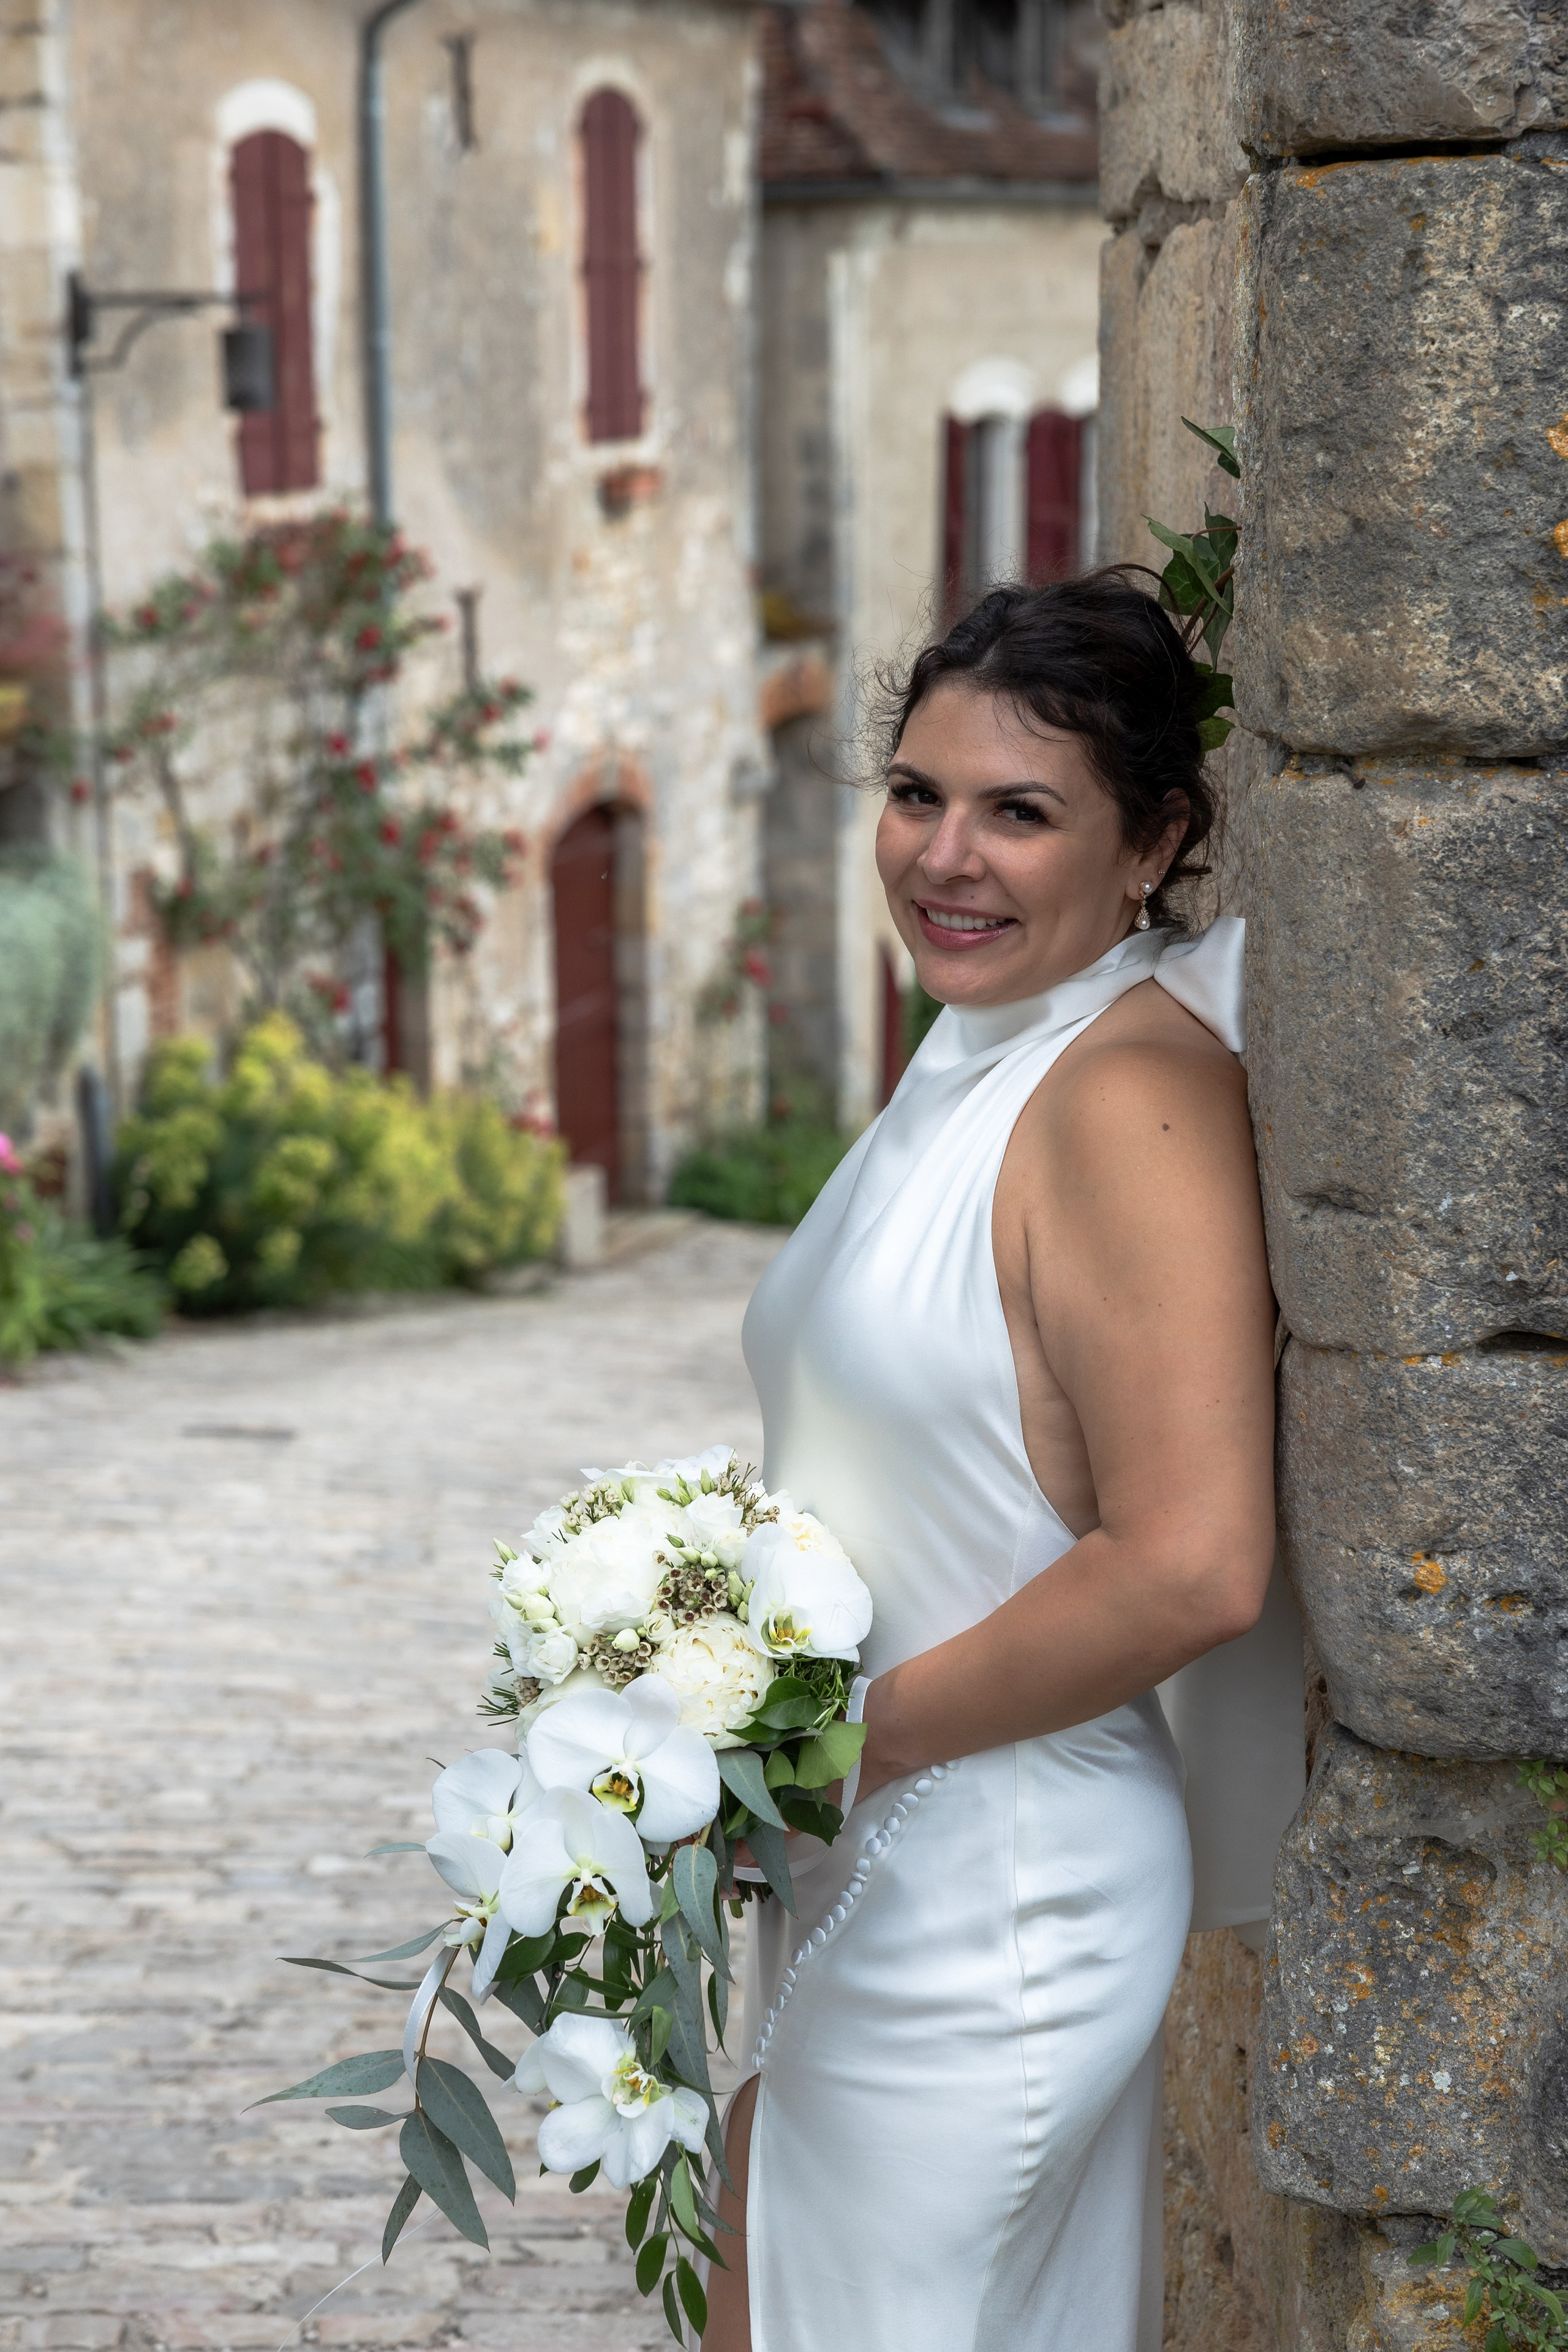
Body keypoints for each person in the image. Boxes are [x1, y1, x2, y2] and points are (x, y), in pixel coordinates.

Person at [705, 575, 1287, 2350]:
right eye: (917, 794)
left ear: (1151, 842)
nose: (945, 857)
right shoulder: (974, 1052)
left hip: (998, 1884)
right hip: (879, 1849)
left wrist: (844, 1741)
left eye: (1020, 812)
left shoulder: (1122, 1099)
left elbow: (1194, 1560)